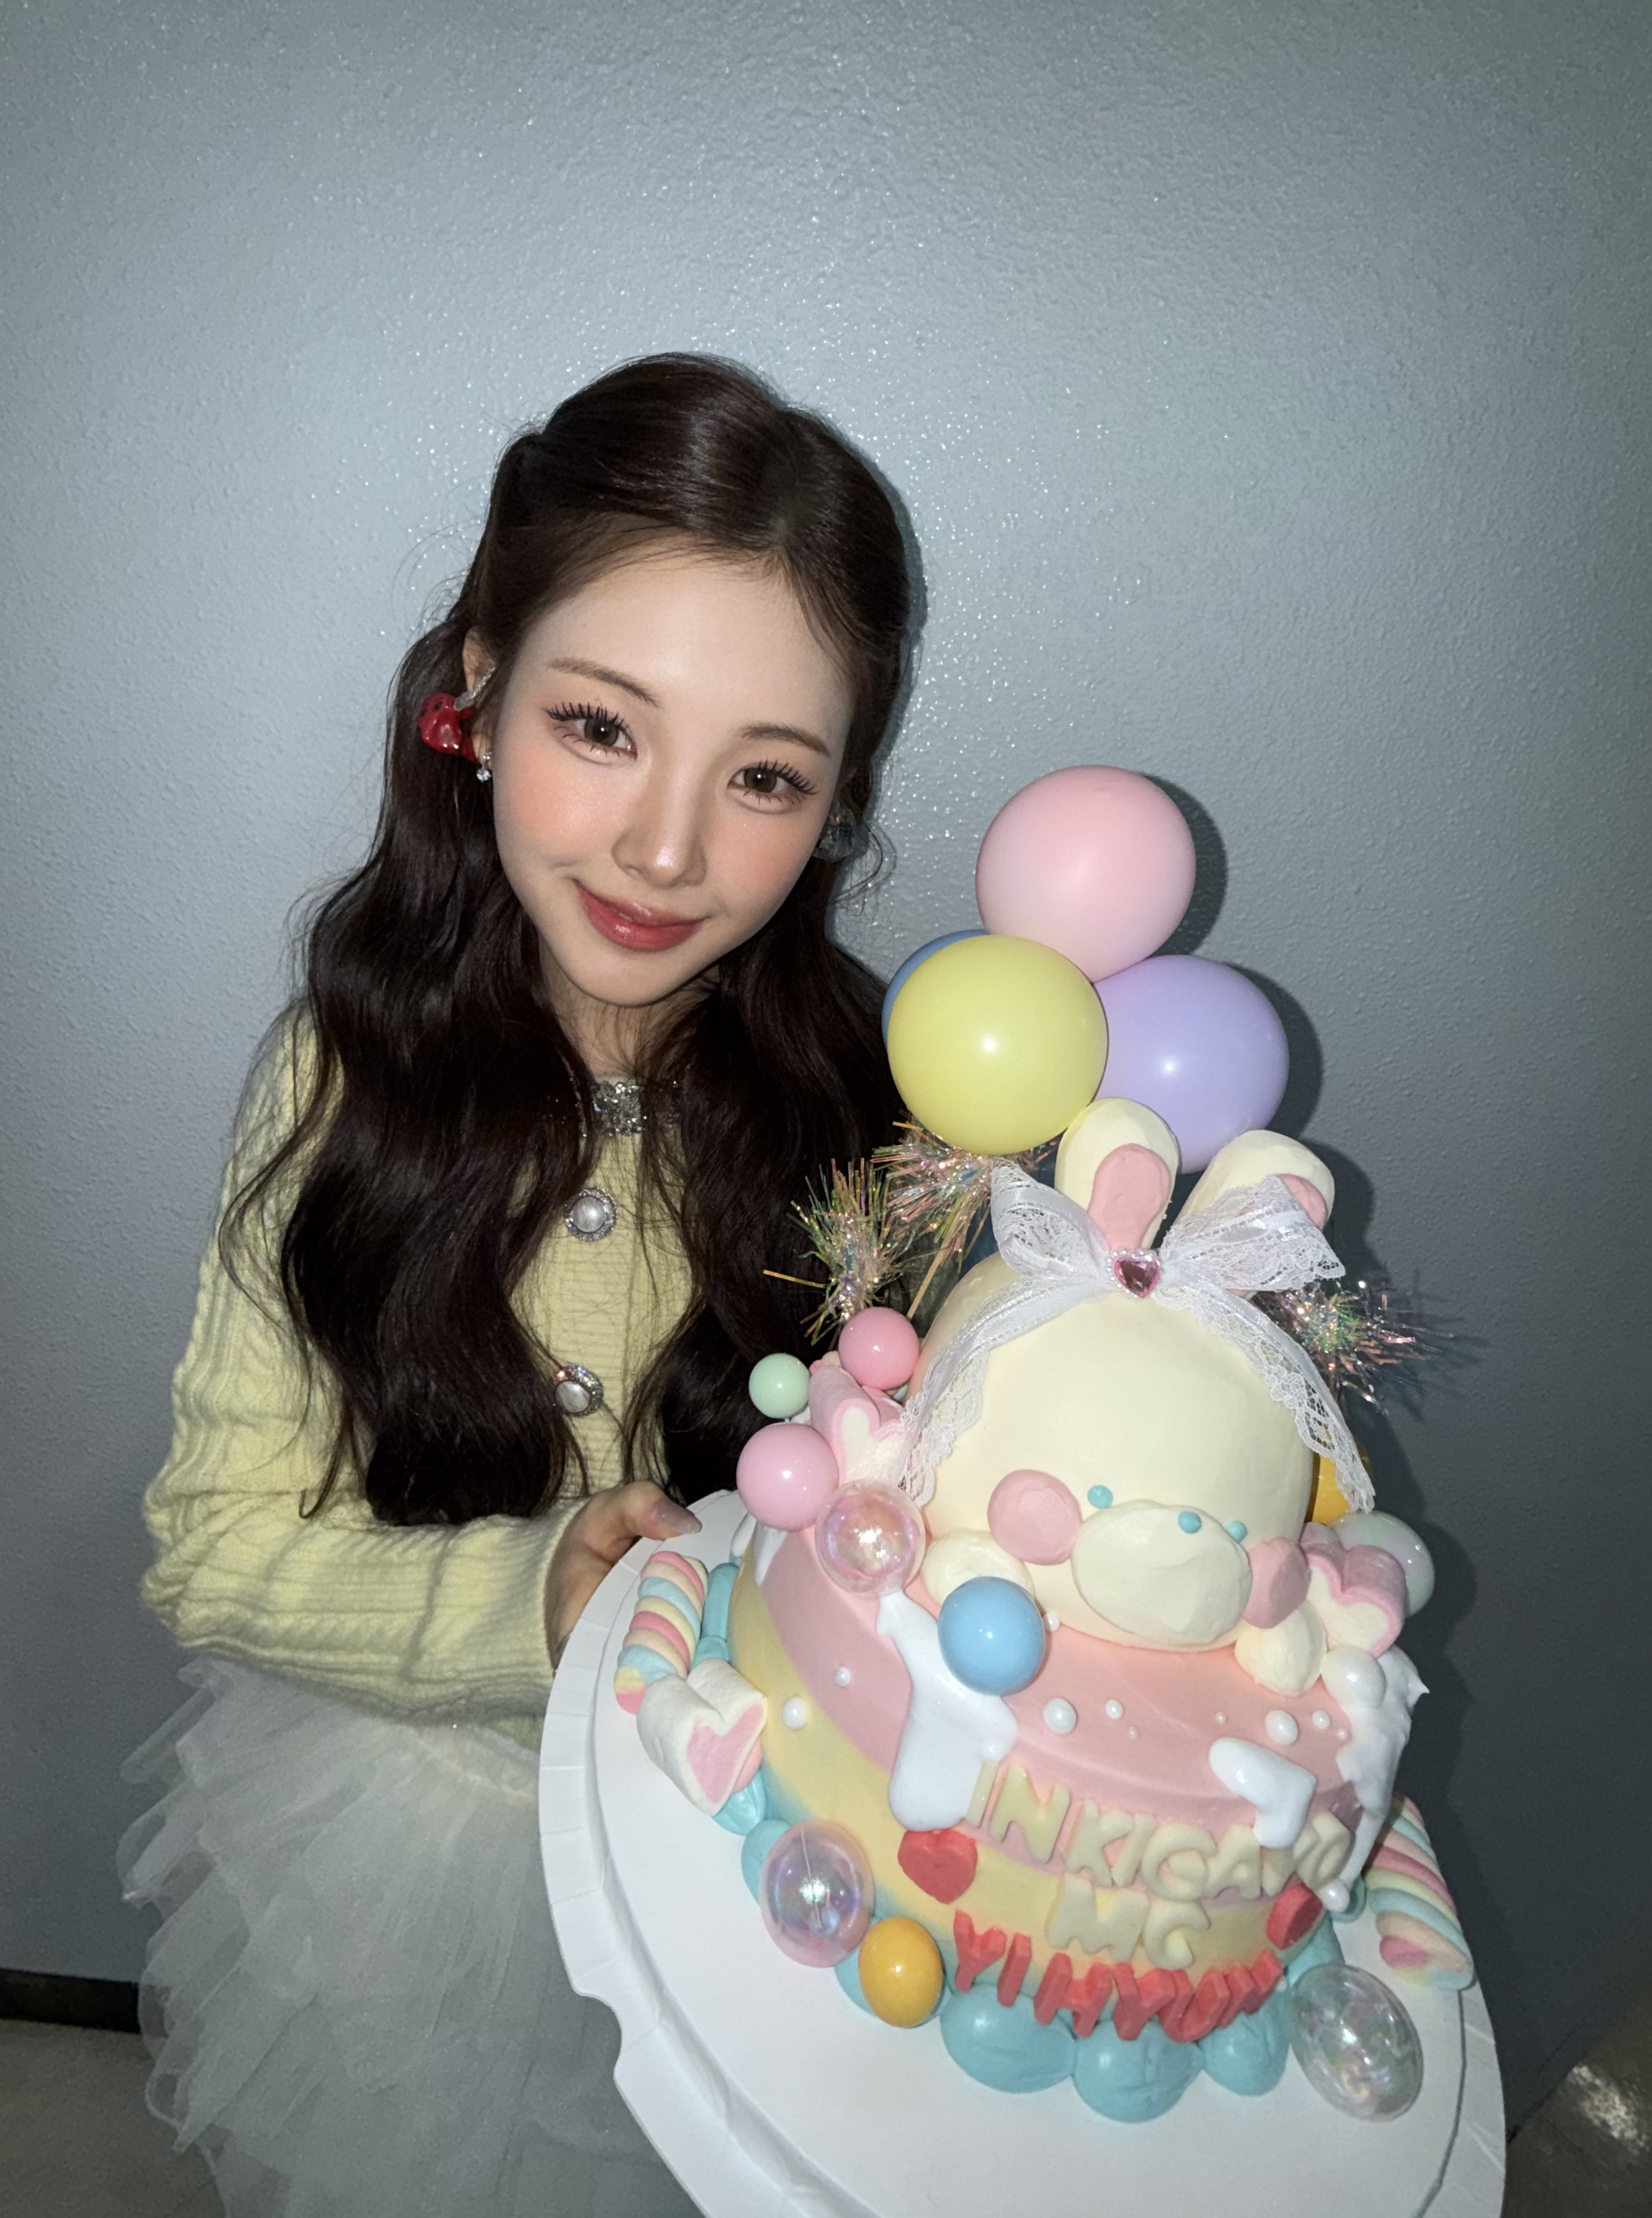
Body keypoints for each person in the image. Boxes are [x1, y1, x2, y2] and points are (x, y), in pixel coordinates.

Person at [119, 353, 914, 2217]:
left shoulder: (880, 1104)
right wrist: (532, 1603)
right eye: (603, 727)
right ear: (476, 693)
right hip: (426, 1847)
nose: (665, 849)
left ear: (837, 803)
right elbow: (209, 1549)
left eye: (765, 777)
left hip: (759, 1846)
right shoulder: (341, 1084)